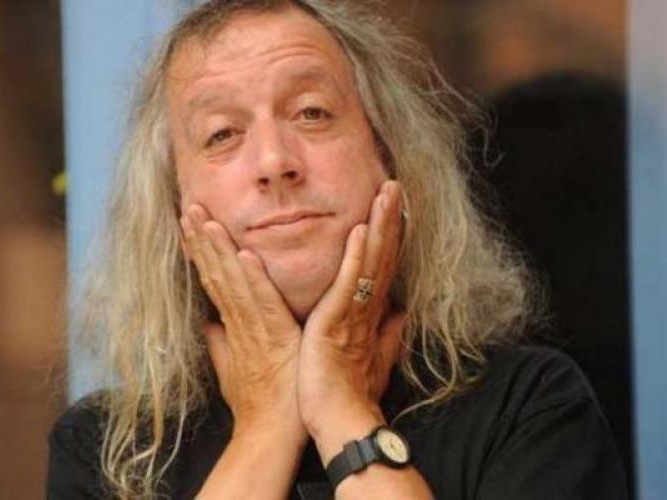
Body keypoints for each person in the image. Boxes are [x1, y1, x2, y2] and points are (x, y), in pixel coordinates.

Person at [47, 1, 627, 499]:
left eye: (312, 113)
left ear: (389, 159)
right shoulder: (104, 450)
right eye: (222, 133)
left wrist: (344, 413)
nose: (275, 162)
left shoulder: (528, 405)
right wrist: (265, 428)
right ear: (175, 206)